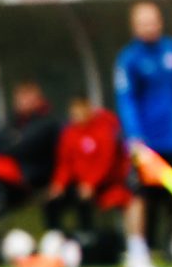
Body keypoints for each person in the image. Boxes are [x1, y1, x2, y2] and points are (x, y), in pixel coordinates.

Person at [113, 0, 172, 267]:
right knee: (141, 198)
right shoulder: (129, 60)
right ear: (134, 26)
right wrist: (134, 138)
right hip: (146, 147)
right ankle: (138, 252)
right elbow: (126, 100)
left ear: (160, 22)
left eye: (152, 21)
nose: (149, 27)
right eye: (143, 22)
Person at [44, 95, 127, 239]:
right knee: (52, 201)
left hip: (102, 184)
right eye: (73, 112)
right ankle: (55, 237)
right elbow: (64, 163)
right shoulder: (69, 134)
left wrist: (91, 183)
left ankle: (87, 237)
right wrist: (59, 184)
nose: (76, 116)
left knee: (84, 200)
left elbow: (105, 162)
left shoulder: (102, 131)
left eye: (79, 111)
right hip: (78, 184)